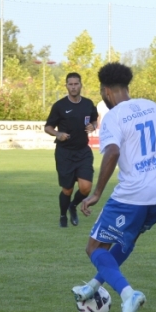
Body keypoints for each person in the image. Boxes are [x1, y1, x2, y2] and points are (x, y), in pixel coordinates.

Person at [71, 62, 156, 312]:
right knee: (127, 238)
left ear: (105, 91)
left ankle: (128, 294)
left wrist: (97, 193)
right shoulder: (151, 106)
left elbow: (112, 153)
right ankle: (92, 286)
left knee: (94, 247)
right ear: (126, 87)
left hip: (134, 193)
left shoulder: (113, 117)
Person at [44, 72, 98, 228]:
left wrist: (93, 126)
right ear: (66, 86)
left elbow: (94, 119)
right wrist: (57, 133)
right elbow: (48, 127)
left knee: (86, 188)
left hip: (83, 151)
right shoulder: (59, 106)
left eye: (76, 84)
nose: (73, 87)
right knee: (67, 189)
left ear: (81, 85)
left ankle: (73, 206)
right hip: (65, 153)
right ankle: (63, 215)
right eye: (70, 84)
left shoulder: (88, 103)